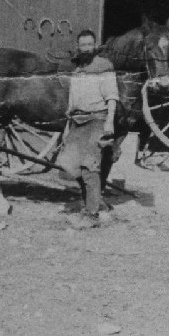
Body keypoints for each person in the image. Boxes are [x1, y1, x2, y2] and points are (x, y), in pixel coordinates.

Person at [60, 28, 120, 229]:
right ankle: (95, 204)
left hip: (97, 119)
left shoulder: (104, 66)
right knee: (69, 164)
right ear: (78, 46)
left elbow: (112, 95)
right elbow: (72, 100)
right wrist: (67, 127)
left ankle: (92, 214)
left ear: (95, 46)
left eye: (89, 44)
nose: (86, 48)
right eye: (82, 44)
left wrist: (109, 121)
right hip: (77, 121)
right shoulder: (77, 70)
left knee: (89, 165)